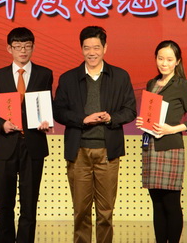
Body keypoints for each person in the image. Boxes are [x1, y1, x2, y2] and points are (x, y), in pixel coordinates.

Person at [53, 25, 137, 243]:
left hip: (108, 152)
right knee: (80, 211)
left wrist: (110, 118)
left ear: (105, 48)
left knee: (105, 212)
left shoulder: (120, 76)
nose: (92, 53)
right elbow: (58, 111)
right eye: (87, 48)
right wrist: (82, 119)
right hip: (78, 152)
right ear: (81, 49)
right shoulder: (68, 78)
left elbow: (130, 110)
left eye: (96, 47)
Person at [0, 27, 54, 243]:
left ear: (33, 47)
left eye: (27, 46)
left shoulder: (44, 74)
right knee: (5, 204)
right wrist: (1, 124)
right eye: (18, 46)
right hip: (6, 145)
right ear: (9, 48)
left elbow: (48, 104)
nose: (23, 51)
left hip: (34, 145)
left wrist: (46, 121)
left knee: (29, 205)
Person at [135, 40, 187, 243]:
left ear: (177, 62)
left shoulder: (182, 85)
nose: (164, 63)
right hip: (151, 146)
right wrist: (143, 122)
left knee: (171, 203)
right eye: (160, 58)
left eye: (169, 59)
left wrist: (172, 129)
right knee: (156, 203)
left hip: (170, 148)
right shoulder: (152, 83)